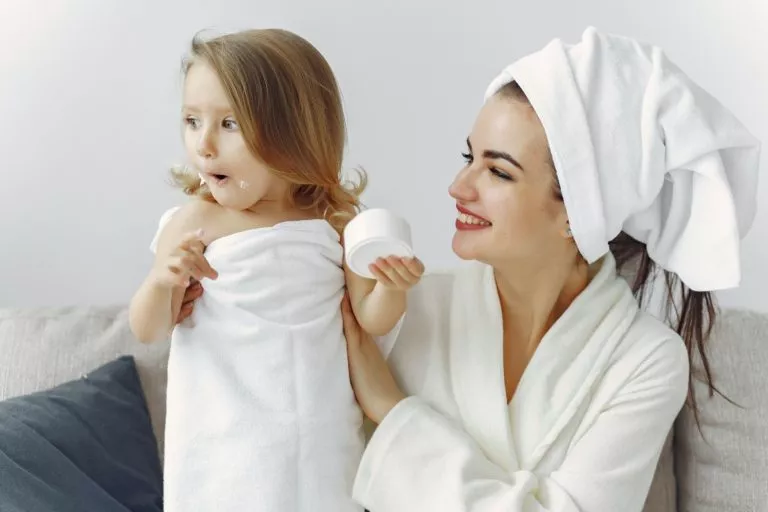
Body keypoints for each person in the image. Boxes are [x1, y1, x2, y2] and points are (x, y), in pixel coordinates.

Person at [177, 27, 761, 511]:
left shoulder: (646, 361)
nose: (459, 187)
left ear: (577, 215)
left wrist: (393, 411)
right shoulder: (411, 306)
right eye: (468, 157)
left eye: (498, 172)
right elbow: (271, 413)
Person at [128, 28, 423, 512]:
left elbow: (370, 319)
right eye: (191, 120)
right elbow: (147, 327)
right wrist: (164, 279)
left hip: (321, 450)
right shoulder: (194, 222)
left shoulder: (334, 222)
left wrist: (392, 285)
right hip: (227, 453)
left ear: (293, 132)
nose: (203, 144)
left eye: (229, 124)